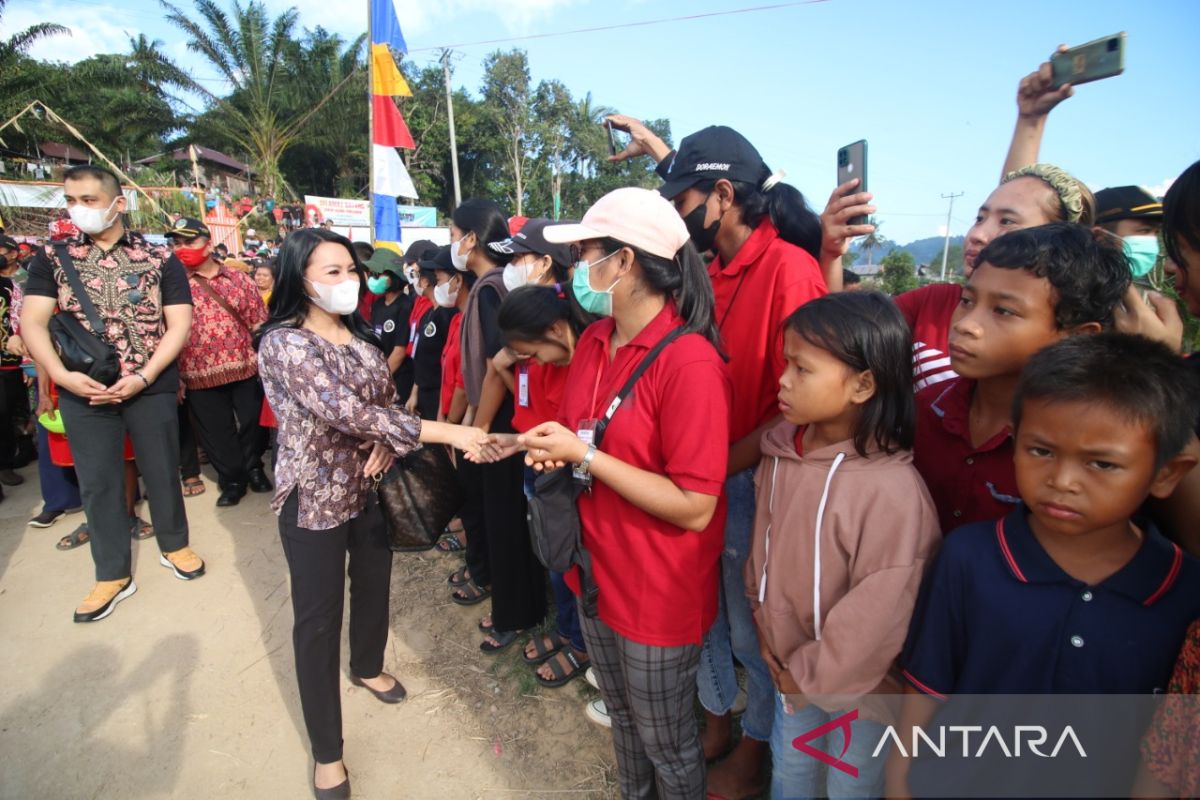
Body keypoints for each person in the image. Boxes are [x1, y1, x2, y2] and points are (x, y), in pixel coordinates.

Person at [612, 119, 829, 795]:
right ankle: (716, 715)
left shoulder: (791, 270)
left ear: (723, 197)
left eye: (682, 203)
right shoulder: (709, 270)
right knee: (702, 611)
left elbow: (799, 404)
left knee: (747, 625)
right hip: (701, 474)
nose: (678, 218)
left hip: (750, 482)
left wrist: (713, 468)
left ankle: (756, 742)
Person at [890, 333, 1200, 797]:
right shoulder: (969, 557)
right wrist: (899, 784)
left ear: (1166, 473)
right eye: (1041, 451)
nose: (1062, 481)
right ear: (1014, 442)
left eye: (1101, 464)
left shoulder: (1183, 591)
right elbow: (925, 690)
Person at [256, 227, 489, 799]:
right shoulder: (285, 345)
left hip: (369, 491)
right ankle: (327, 755)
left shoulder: (359, 340)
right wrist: (454, 431)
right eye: (330, 272)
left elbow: (379, 409)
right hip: (313, 501)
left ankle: (366, 665)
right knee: (316, 621)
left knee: (374, 586)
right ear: (299, 279)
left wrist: (386, 440)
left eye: (350, 270)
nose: (347, 281)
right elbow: (351, 414)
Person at [517, 187, 732, 799]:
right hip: (596, 572)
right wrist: (553, 449)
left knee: (666, 741)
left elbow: (695, 506)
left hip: (656, 591)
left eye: (585, 252)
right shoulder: (593, 342)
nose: (577, 267)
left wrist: (585, 456)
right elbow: (583, 433)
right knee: (626, 727)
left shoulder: (689, 363)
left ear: (626, 261)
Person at [747, 291, 940, 798]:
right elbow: (761, 549)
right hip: (788, 668)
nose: (783, 379)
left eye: (802, 368)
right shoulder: (780, 457)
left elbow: (877, 618)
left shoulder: (892, 493)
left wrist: (808, 676)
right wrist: (765, 629)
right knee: (791, 775)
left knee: (848, 786)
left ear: (863, 384)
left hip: (861, 693)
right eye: (785, 362)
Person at [20, 165, 203, 622]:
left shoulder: (160, 258)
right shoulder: (51, 257)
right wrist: (61, 377)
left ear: (118, 203)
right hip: (84, 388)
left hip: (150, 384)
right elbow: (32, 322)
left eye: (89, 200)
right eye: (71, 200)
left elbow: (179, 322)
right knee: (98, 481)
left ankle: (175, 545)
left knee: (162, 469)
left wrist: (145, 376)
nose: (78, 210)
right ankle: (111, 573)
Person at [913, 222, 1128, 533]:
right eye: (967, 301)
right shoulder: (924, 409)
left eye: (1003, 311)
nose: (966, 324)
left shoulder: (1086, 445)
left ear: (1077, 337)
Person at [451, 198, 546, 654]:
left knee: (505, 520)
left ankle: (514, 614)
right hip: (507, 415)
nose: (454, 244)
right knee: (507, 518)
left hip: (504, 420)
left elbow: (498, 362)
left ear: (470, 239)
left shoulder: (490, 290)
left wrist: (480, 423)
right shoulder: (495, 287)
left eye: (455, 235)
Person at [488, 282, 592, 689]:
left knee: (573, 565)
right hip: (544, 468)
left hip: (572, 475)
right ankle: (568, 632)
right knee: (554, 560)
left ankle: (581, 643)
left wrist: (524, 444)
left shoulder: (590, 360)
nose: (527, 362)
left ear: (554, 330)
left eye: (527, 353)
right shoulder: (548, 357)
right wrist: (516, 442)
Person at [169, 217, 271, 507]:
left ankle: (253, 468)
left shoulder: (238, 280)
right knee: (216, 432)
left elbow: (259, 321)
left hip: (244, 366)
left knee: (253, 423)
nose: (182, 248)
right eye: (177, 243)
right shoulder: (173, 284)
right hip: (198, 372)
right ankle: (232, 479)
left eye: (189, 242)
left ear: (207, 243)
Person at [403, 244, 451, 420]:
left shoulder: (447, 315)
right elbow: (421, 358)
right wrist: (415, 392)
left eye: (418, 276)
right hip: (424, 391)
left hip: (440, 395)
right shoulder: (429, 313)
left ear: (426, 281)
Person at [0, 234, 31, 490]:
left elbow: (28, 320)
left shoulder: (24, 280)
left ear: (12, 253)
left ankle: (22, 449)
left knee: (16, 410)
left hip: (16, 360)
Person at [363, 250, 414, 400]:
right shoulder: (378, 304)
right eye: (373, 274)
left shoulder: (405, 305)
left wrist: (381, 380)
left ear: (393, 276)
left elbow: (400, 351)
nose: (374, 279)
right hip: (379, 373)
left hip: (398, 379)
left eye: (379, 275)